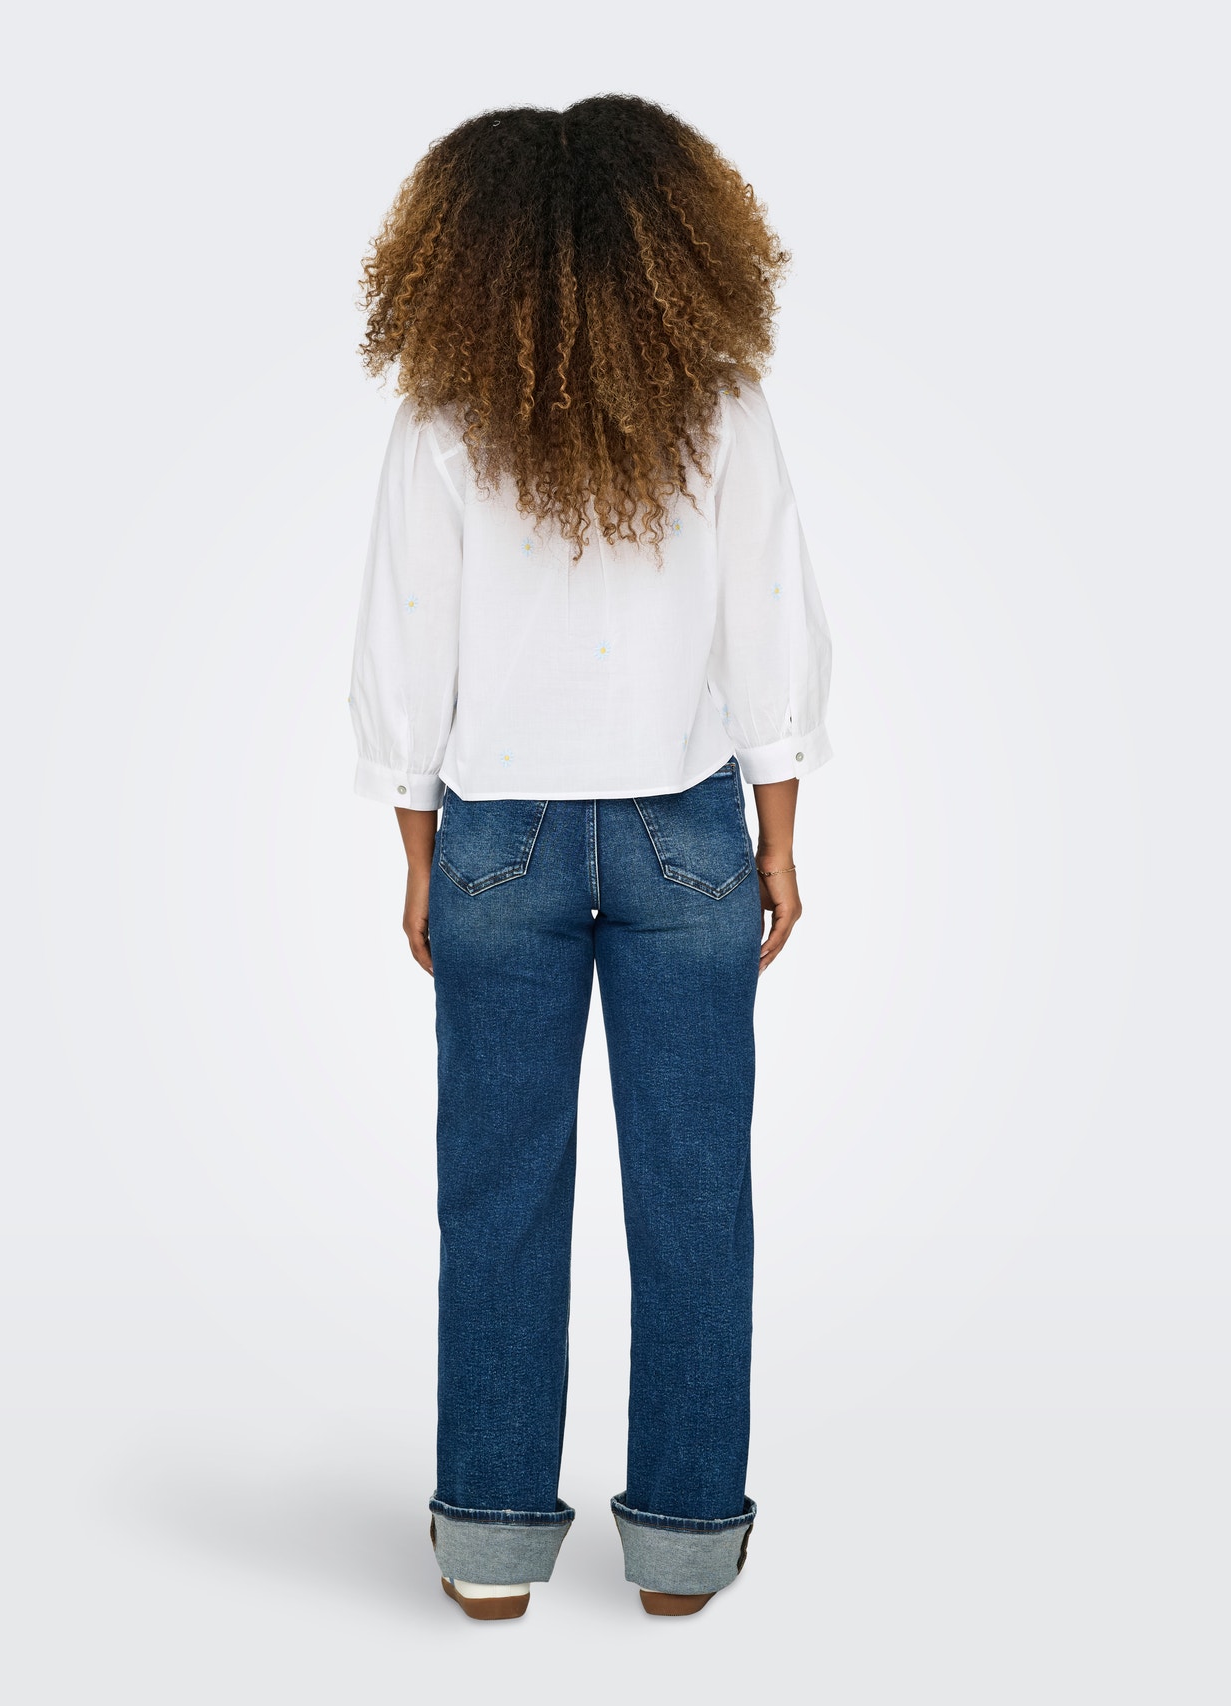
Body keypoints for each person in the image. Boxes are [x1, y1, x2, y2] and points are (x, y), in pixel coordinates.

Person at [347, 94, 832, 1620]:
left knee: (495, 1193)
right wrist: (779, 837)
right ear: (680, 239)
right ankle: (684, 1547)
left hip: (499, 835)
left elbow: (404, 640)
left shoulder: (444, 411)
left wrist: (417, 848)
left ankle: (489, 1546)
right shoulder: (721, 400)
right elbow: (770, 616)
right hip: (689, 831)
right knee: (697, 1194)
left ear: (467, 248)